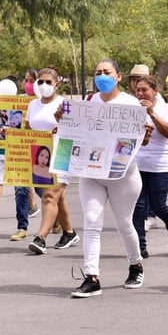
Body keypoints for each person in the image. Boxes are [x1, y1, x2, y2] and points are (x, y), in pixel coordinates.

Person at [71, 60, 147, 298]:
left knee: (124, 224)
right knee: (92, 221)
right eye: (97, 73)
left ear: (118, 77)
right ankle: (92, 277)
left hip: (121, 175)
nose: (102, 76)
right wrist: (64, 124)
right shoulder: (89, 103)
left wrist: (144, 135)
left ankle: (135, 264)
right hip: (92, 173)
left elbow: (142, 139)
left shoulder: (131, 103)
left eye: (107, 72)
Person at [26, 67, 79, 255]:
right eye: (40, 81)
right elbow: (27, 129)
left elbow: (76, 130)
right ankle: (69, 232)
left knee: (49, 195)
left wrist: (61, 126)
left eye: (48, 82)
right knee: (58, 196)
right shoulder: (33, 105)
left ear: (56, 84)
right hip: (41, 155)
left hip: (63, 151)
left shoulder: (64, 104)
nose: (44, 85)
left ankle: (41, 237)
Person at [0, 70, 40, 241]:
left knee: (41, 189)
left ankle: (55, 215)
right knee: (19, 187)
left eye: (32, 80)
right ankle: (22, 226)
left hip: (34, 149)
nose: (28, 83)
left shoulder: (39, 103)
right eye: (26, 80)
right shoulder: (12, 101)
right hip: (12, 149)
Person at [131, 75, 168, 258]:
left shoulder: (165, 108)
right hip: (137, 164)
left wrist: (152, 113)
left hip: (159, 165)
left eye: (144, 89)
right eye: (137, 90)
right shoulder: (133, 108)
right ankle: (140, 247)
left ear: (155, 91)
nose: (140, 93)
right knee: (138, 206)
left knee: (158, 206)